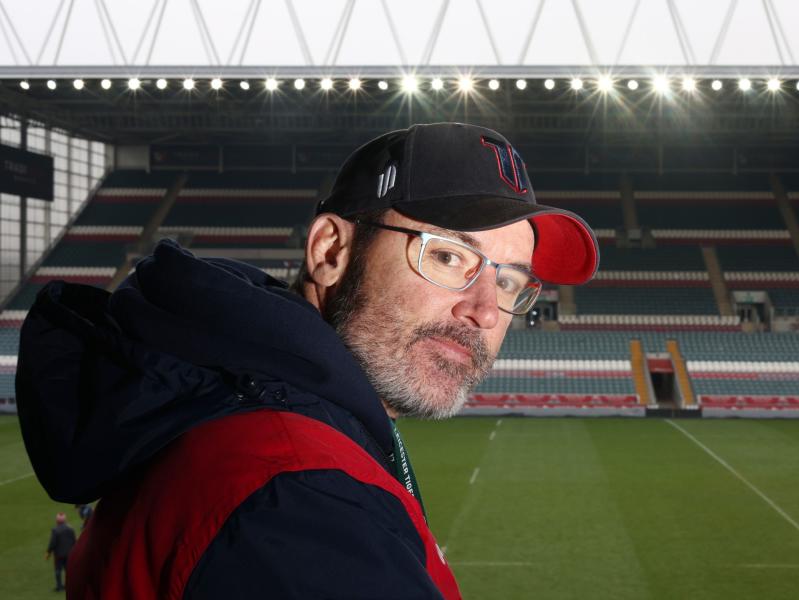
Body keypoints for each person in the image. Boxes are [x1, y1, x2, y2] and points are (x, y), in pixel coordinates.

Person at [16, 122, 598, 599]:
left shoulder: (252, 409)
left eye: (510, 283)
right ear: (330, 251)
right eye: (447, 256)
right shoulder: (300, 501)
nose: (486, 312)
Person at [46, 512, 76, 592]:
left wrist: (48, 552)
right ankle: (69, 585)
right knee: (68, 570)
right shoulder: (70, 529)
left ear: (57, 521)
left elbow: (53, 543)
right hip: (69, 554)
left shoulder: (55, 530)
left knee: (58, 570)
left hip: (59, 555)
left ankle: (59, 586)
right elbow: (74, 541)